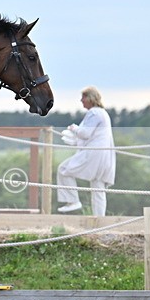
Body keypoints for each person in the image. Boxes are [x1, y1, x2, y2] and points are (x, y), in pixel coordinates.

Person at [57, 86, 116, 216]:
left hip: (94, 154)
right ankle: (99, 219)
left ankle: (72, 200)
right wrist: (74, 139)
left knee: (63, 169)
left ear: (90, 98)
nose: (81, 100)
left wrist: (73, 128)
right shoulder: (103, 113)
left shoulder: (94, 113)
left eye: (83, 97)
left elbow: (85, 133)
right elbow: (93, 135)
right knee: (98, 187)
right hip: (104, 155)